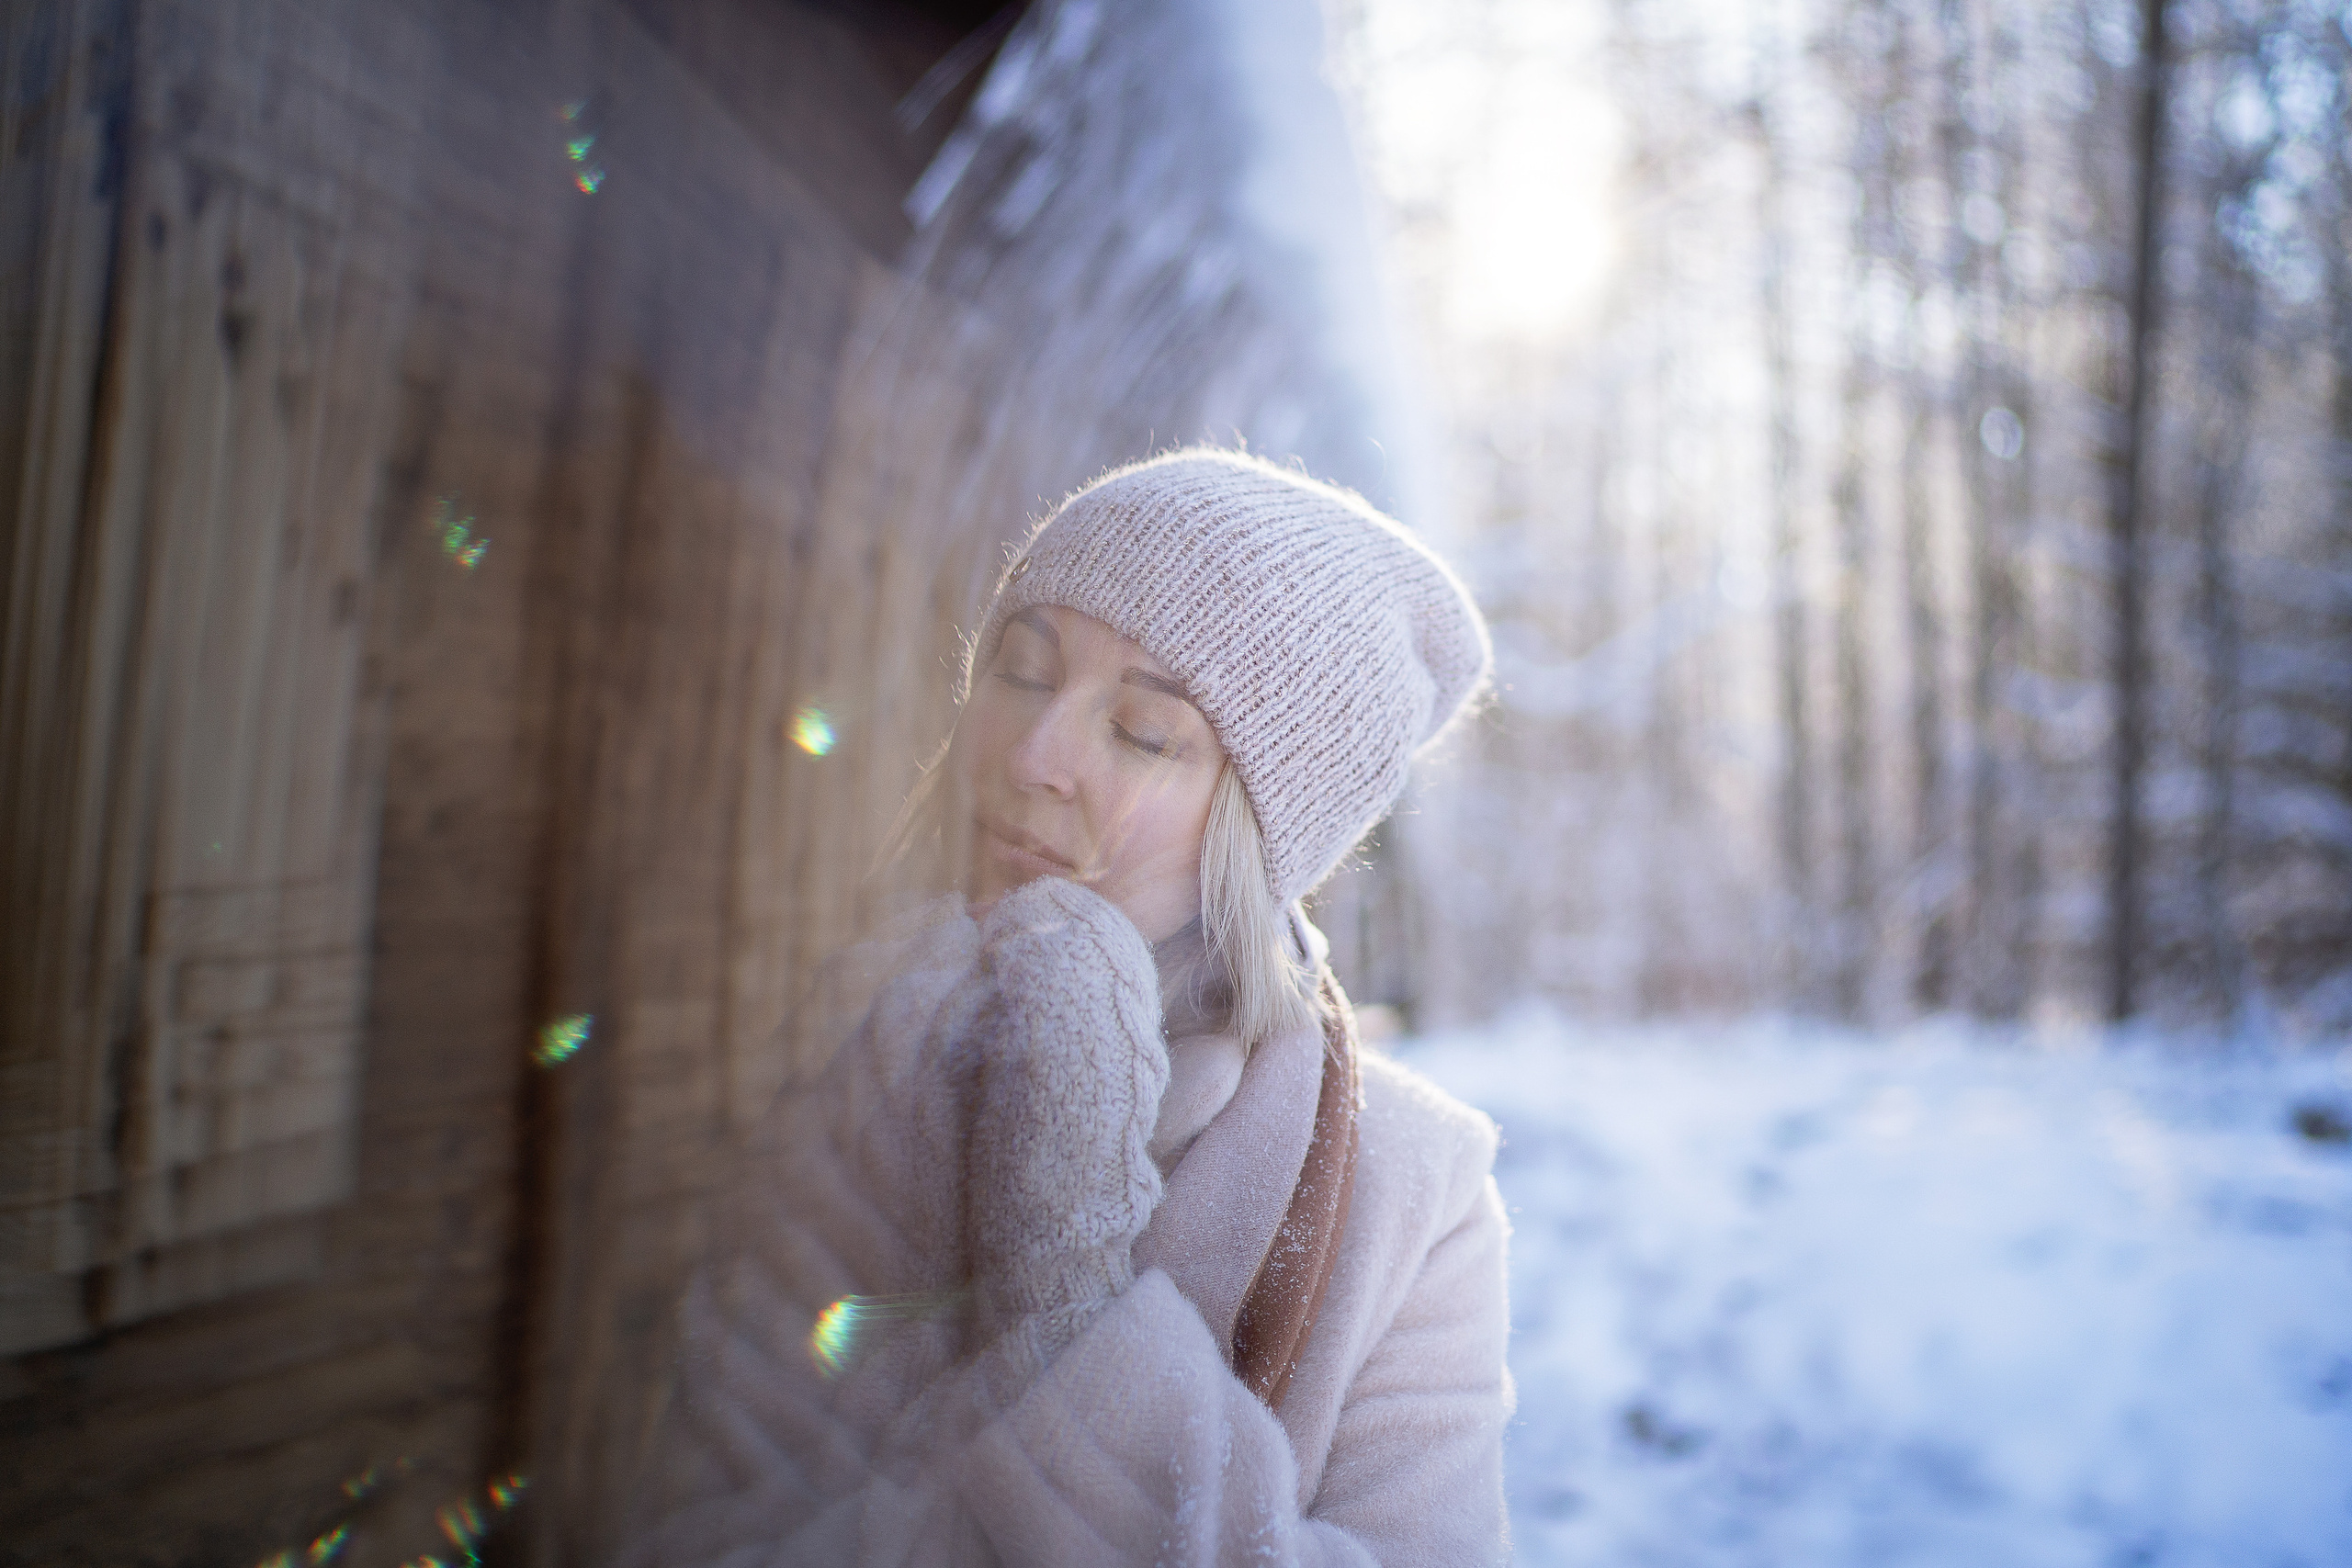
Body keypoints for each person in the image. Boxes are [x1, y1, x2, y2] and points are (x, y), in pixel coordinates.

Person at [623, 448, 1510, 1565]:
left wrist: (1070, 1300)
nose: (1031, 755)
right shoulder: (853, 1062)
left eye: (1142, 733)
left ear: (1261, 830)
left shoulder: (1413, 1193)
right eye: (1022, 672)